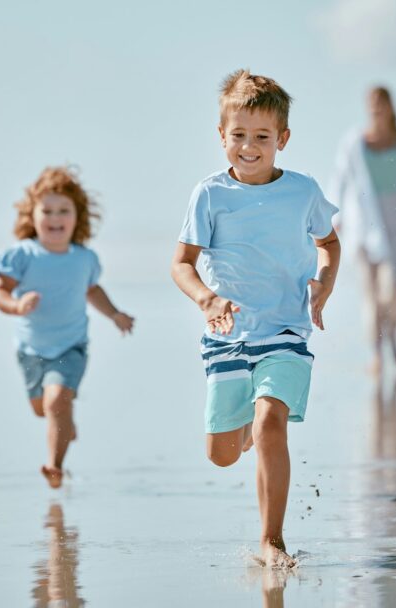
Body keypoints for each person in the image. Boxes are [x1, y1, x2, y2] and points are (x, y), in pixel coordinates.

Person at [170, 69, 341, 568]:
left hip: (286, 331)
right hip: (227, 337)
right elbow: (181, 263)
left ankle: (272, 539)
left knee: (271, 421)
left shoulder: (303, 191)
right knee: (222, 454)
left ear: (282, 139)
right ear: (221, 136)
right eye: (238, 135)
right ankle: (240, 427)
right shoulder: (209, 195)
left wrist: (325, 283)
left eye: (262, 137)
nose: (250, 146)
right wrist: (206, 299)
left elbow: (328, 242)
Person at [0, 166, 134, 488]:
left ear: (77, 217)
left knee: (56, 401)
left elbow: (92, 290)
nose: (55, 218)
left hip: (71, 347)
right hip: (30, 350)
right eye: (47, 210)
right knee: (43, 410)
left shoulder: (84, 258)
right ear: (32, 215)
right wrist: (15, 305)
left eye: (64, 210)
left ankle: (54, 466)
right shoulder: (22, 255)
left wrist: (114, 314)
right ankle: (65, 421)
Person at [330, 87, 396, 373]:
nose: (375, 108)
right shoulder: (353, 142)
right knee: (370, 295)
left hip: (394, 220)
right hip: (362, 221)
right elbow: (340, 178)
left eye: (380, 103)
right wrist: (333, 216)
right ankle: (376, 352)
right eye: (371, 103)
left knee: (391, 291)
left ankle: (394, 336)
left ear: (389, 107)